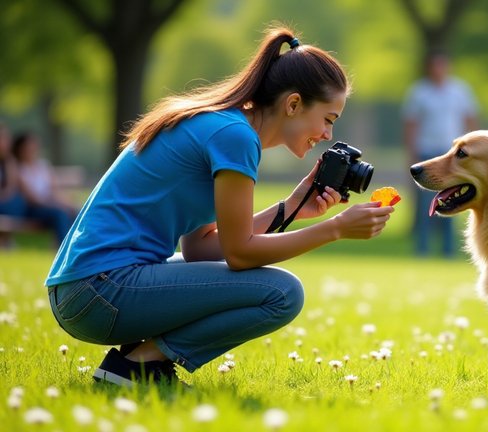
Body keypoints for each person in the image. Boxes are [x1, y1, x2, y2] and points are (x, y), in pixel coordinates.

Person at [45, 25, 394, 387]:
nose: (328, 136)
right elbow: (239, 253)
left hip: (83, 290)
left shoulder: (220, 123)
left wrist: (290, 207)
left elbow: (200, 249)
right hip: (100, 291)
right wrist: (335, 229)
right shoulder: (235, 137)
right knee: (282, 294)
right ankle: (137, 365)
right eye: (328, 119)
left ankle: (137, 365)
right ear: (293, 104)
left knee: (273, 287)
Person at [403, 49, 478, 257]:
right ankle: (423, 248)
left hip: (452, 154)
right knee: (425, 202)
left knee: (451, 200)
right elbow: (411, 124)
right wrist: (412, 153)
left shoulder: (460, 91)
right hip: (426, 151)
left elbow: (470, 120)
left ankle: (448, 250)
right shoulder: (419, 92)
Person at [12, 131, 76, 243]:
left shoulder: (43, 166)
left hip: (49, 205)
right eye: (28, 146)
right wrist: (54, 205)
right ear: (20, 149)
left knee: (75, 212)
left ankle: (77, 246)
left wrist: (67, 204)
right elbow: (31, 198)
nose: (32, 149)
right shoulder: (18, 170)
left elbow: (54, 191)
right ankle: (64, 247)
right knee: (59, 214)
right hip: (33, 209)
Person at [0, 123, 27, 247]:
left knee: (17, 201)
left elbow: (11, 187)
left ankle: (6, 239)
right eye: (3, 138)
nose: (7, 142)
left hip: (5, 201)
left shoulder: (9, 161)